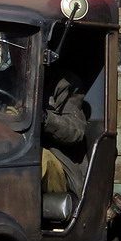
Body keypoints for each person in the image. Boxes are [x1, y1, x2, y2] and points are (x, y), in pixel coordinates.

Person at [40, 67, 87, 201]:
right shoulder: (8, 79)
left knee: (38, 160)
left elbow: (75, 131)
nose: (18, 53)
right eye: (14, 47)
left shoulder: (65, 84)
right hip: (8, 148)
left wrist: (45, 118)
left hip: (58, 160)